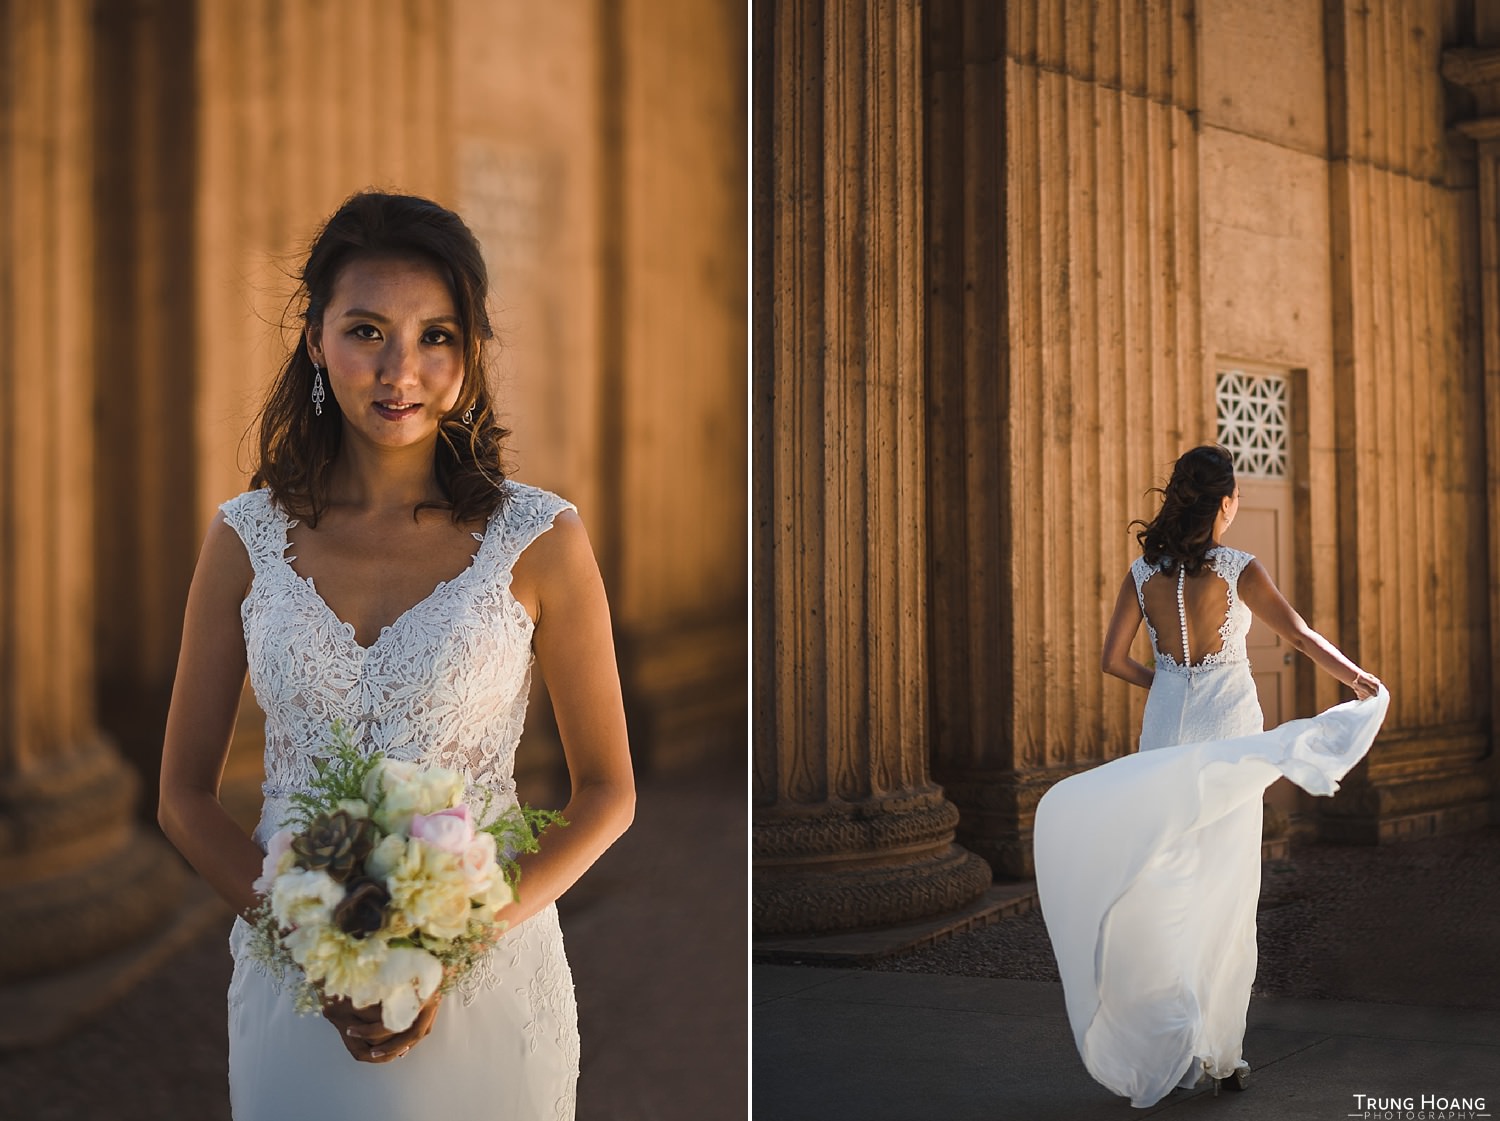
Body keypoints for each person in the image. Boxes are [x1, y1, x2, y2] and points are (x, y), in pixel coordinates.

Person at [157, 191, 635, 1120]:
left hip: (487, 980)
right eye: (367, 330)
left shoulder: (539, 538)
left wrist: (444, 946)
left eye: (437, 336)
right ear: (315, 341)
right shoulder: (244, 539)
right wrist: (310, 944)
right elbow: (182, 794)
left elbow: (608, 791)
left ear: (472, 350)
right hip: (297, 982)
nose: (400, 370)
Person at [1033, 444, 1388, 1108]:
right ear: (1224, 502)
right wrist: (1358, 679)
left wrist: (1162, 682)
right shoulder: (1238, 567)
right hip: (1226, 737)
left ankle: (1163, 1033)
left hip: (1165, 728)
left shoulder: (1143, 571)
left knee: (1163, 878)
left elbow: (1113, 659)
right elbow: (1303, 637)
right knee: (1224, 889)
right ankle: (1218, 1053)